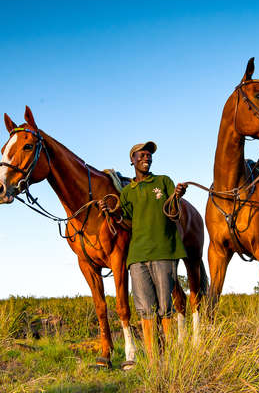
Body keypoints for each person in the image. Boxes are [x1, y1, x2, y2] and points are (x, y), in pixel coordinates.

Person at [99, 141, 187, 360]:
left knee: (165, 307)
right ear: (133, 160)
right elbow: (127, 223)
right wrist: (111, 213)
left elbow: (173, 213)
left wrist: (177, 196)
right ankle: (153, 360)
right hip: (137, 258)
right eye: (142, 155)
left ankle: (169, 360)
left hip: (164, 252)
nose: (146, 158)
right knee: (145, 310)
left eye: (149, 155)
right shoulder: (128, 192)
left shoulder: (163, 181)